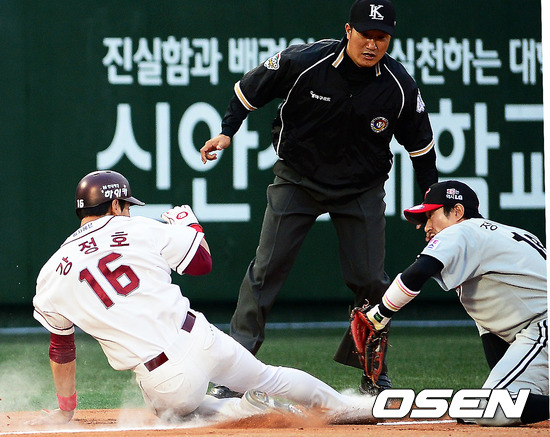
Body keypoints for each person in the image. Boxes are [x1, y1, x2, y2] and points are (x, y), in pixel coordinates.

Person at [200, 0, 438, 397]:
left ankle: (374, 374)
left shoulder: (398, 85)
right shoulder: (305, 61)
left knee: (370, 281)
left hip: (360, 188)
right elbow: (249, 90)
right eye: (365, 35)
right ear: (348, 31)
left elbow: (422, 151)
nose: (372, 44)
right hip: (299, 179)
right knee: (266, 269)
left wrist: (433, 210)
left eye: (381, 38)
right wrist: (227, 131)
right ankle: (235, 373)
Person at [30, 170, 375, 426]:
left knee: (175, 416)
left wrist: (66, 407)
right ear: (116, 204)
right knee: (269, 376)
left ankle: (245, 410)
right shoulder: (140, 228)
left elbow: (62, 349)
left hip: (165, 377)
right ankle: (349, 407)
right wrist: (191, 226)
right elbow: (201, 263)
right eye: (127, 206)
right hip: (200, 336)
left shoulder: (51, 273)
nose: (129, 211)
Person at [363, 180, 548, 426]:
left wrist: (379, 315)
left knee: (491, 407)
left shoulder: (463, 230)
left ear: (457, 211)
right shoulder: (493, 242)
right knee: (483, 407)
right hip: (536, 333)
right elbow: (494, 340)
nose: (426, 226)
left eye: (431, 215)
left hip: (542, 328)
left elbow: (417, 273)